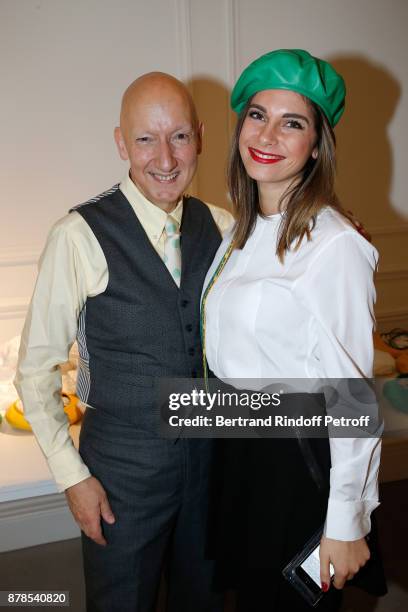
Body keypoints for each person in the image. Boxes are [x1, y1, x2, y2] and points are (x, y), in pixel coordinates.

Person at [15, 72, 232, 612]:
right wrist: (73, 479)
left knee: (204, 599)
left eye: (179, 136)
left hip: (211, 465)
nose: (165, 156)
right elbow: (34, 370)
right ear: (120, 142)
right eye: (145, 139)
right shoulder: (78, 234)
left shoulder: (226, 227)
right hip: (120, 473)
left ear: (200, 137)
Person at [201, 49, 384, 611]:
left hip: (297, 463)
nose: (269, 134)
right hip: (242, 451)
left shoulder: (336, 247)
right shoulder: (241, 228)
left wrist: (347, 521)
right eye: (258, 115)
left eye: (293, 122)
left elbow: (351, 393)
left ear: (316, 143)